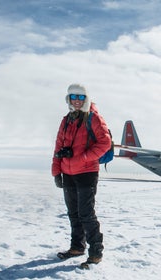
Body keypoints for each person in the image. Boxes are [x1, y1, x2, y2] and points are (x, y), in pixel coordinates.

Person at [52, 83, 112, 266]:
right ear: (68, 99)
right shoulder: (66, 119)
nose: (77, 101)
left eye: (80, 97)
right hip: (68, 172)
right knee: (73, 213)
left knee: (86, 214)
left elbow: (105, 143)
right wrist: (56, 170)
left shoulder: (93, 117)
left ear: (85, 99)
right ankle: (77, 246)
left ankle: (96, 252)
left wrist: (84, 158)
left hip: (87, 172)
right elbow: (58, 145)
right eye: (73, 97)